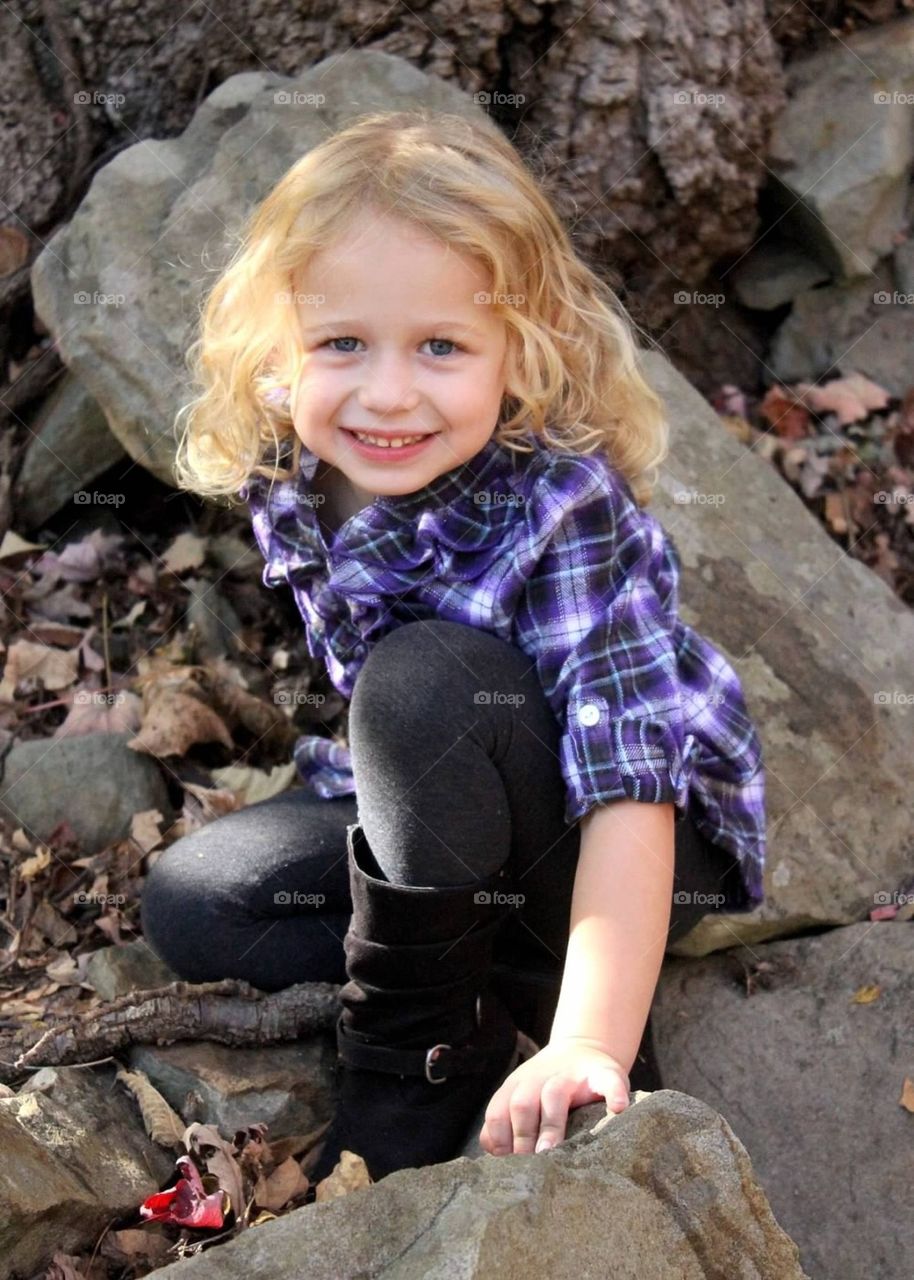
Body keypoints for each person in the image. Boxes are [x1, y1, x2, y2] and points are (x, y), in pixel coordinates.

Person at [141, 108, 766, 1189]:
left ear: (520, 352)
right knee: (202, 900)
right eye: (342, 342)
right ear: (279, 350)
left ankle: (425, 1053)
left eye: (441, 345)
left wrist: (591, 1037)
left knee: (425, 680)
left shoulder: (559, 503)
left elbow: (628, 783)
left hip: (612, 833)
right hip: (443, 811)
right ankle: (472, 1003)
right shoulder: (295, 471)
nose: (387, 393)